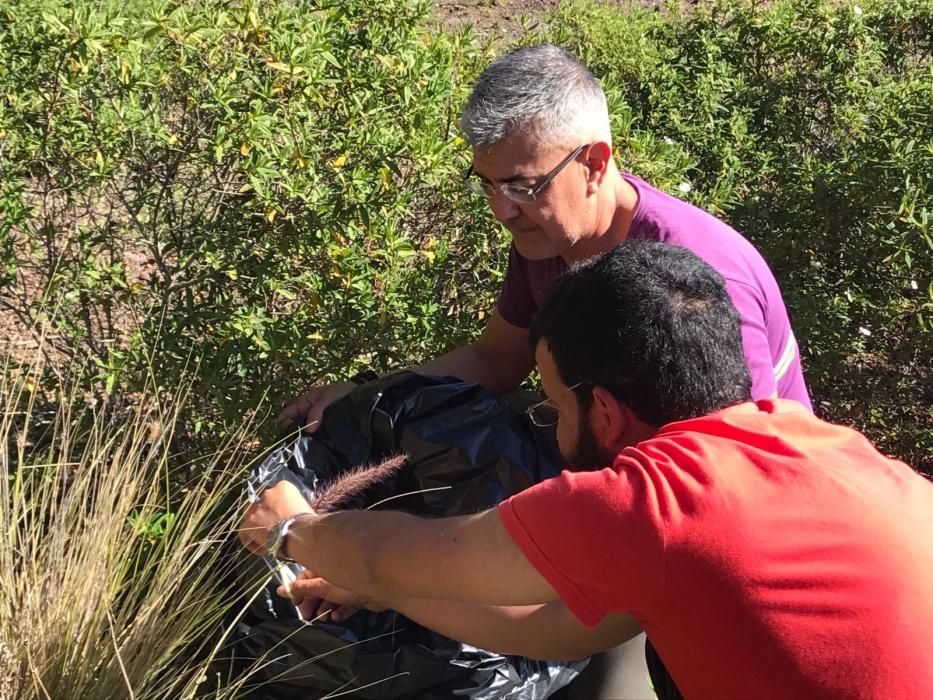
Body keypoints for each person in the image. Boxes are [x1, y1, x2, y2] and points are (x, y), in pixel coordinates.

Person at [242, 241, 933, 700]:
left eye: (551, 405)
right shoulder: (835, 452)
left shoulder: (659, 500)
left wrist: (293, 529)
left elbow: (400, 554)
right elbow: (552, 630)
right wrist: (384, 595)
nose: (549, 424)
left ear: (602, 410)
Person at [281, 44, 811, 434]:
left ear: (595, 164)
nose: (501, 210)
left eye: (523, 185)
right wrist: (368, 396)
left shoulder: (698, 273)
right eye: (488, 184)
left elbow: (750, 455)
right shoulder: (546, 238)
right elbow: (496, 362)